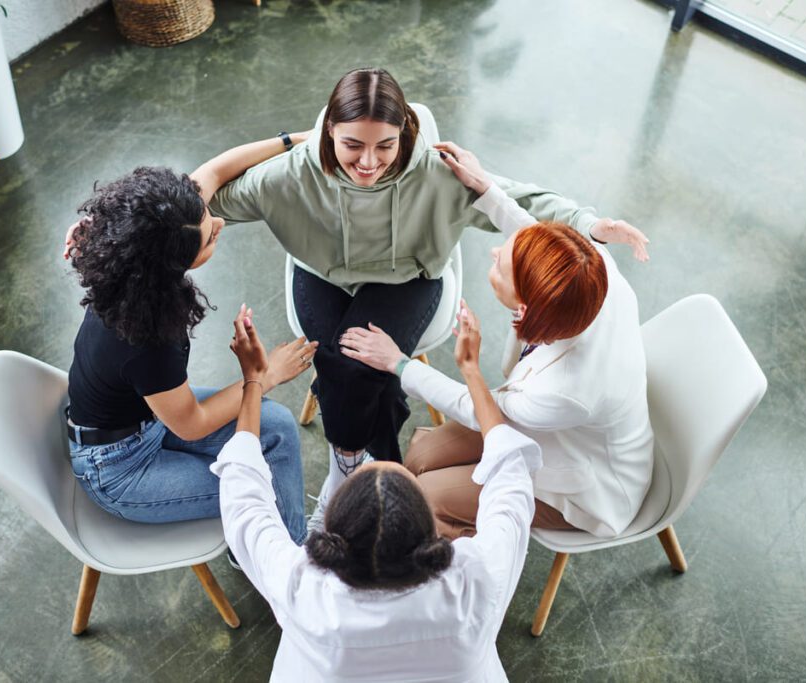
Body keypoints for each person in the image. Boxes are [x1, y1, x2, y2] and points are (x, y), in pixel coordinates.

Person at [209, 67, 646, 529]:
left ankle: (345, 476)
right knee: (346, 370)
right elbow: (205, 197)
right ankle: (363, 465)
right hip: (323, 276)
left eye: (385, 146)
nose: (368, 163)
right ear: (328, 133)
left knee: (351, 368)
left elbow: (483, 410)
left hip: (409, 282)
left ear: (405, 136)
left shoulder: (439, 171)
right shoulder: (291, 175)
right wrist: (590, 227)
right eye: (352, 145)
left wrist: (400, 364)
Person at [213, 298, 542, 682]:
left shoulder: (303, 590)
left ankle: (339, 479)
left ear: (332, 540)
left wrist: (254, 380)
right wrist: (470, 368)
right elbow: (510, 476)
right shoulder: (475, 584)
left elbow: (244, 497)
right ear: (432, 537)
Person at [340, 142, 653, 539]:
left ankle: (452, 555)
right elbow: (535, 241)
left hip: (585, 485)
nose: (493, 251)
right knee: (418, 456)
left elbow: (484, 411)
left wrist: (398, 363)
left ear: (525, 305)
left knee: (424, 496)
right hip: (553, 426)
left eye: (500, 267)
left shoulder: (563, 391)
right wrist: (485, 189)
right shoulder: (589, 271)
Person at [65, 138, 317, 542]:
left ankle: (279, 543)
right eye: (210, 238)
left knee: (277, 425)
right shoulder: (148, 337)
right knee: (258, 482)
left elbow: (214, 172)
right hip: (120, 467)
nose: (219, 224)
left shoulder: (133, 256)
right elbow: (193, 424)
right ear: (172, 263)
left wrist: (297, 140)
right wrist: (263, 374)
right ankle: (293, 567)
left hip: (148, 417)